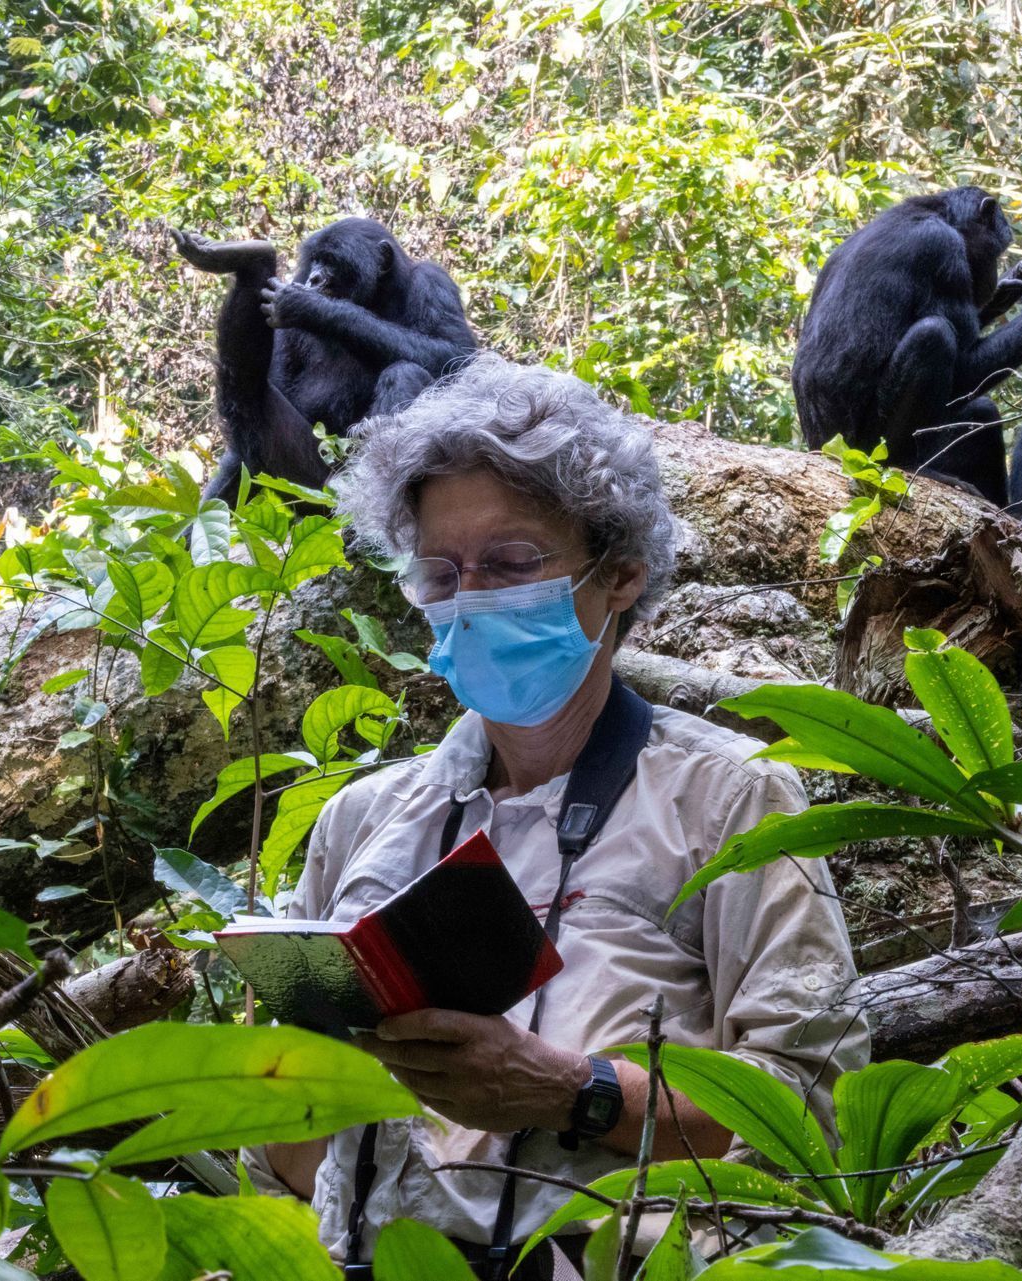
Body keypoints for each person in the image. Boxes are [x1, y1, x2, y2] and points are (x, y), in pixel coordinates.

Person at [248, 355, 868, 1278]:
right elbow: (282, 1165)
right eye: (442, 572)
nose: (472, 598)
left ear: (619, 575)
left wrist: (572, 1090)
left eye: (510, 563)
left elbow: (812, 1114)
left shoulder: (729, 798)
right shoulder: (361, 820)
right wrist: (313, 1085)